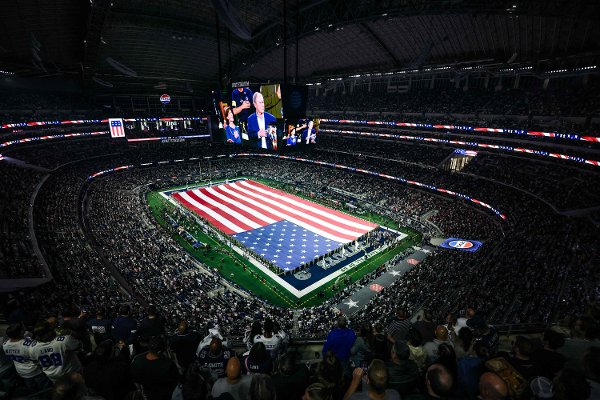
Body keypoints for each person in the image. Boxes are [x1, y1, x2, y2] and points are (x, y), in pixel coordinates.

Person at [2, 322, 52, 391]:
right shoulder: (28, 345)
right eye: (23, 330)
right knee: (44, 388)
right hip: (35, 371)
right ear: (20, 332)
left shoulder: (5, 345)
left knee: (31, 389)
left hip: (22, 371)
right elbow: (38, 358)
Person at [130, 335, 179, 400]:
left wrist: (140, 391)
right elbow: (174, 382)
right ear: (160, 351)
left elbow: (133, 378)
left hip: (142, 395)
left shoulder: (137, 359)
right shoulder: (168, 364)